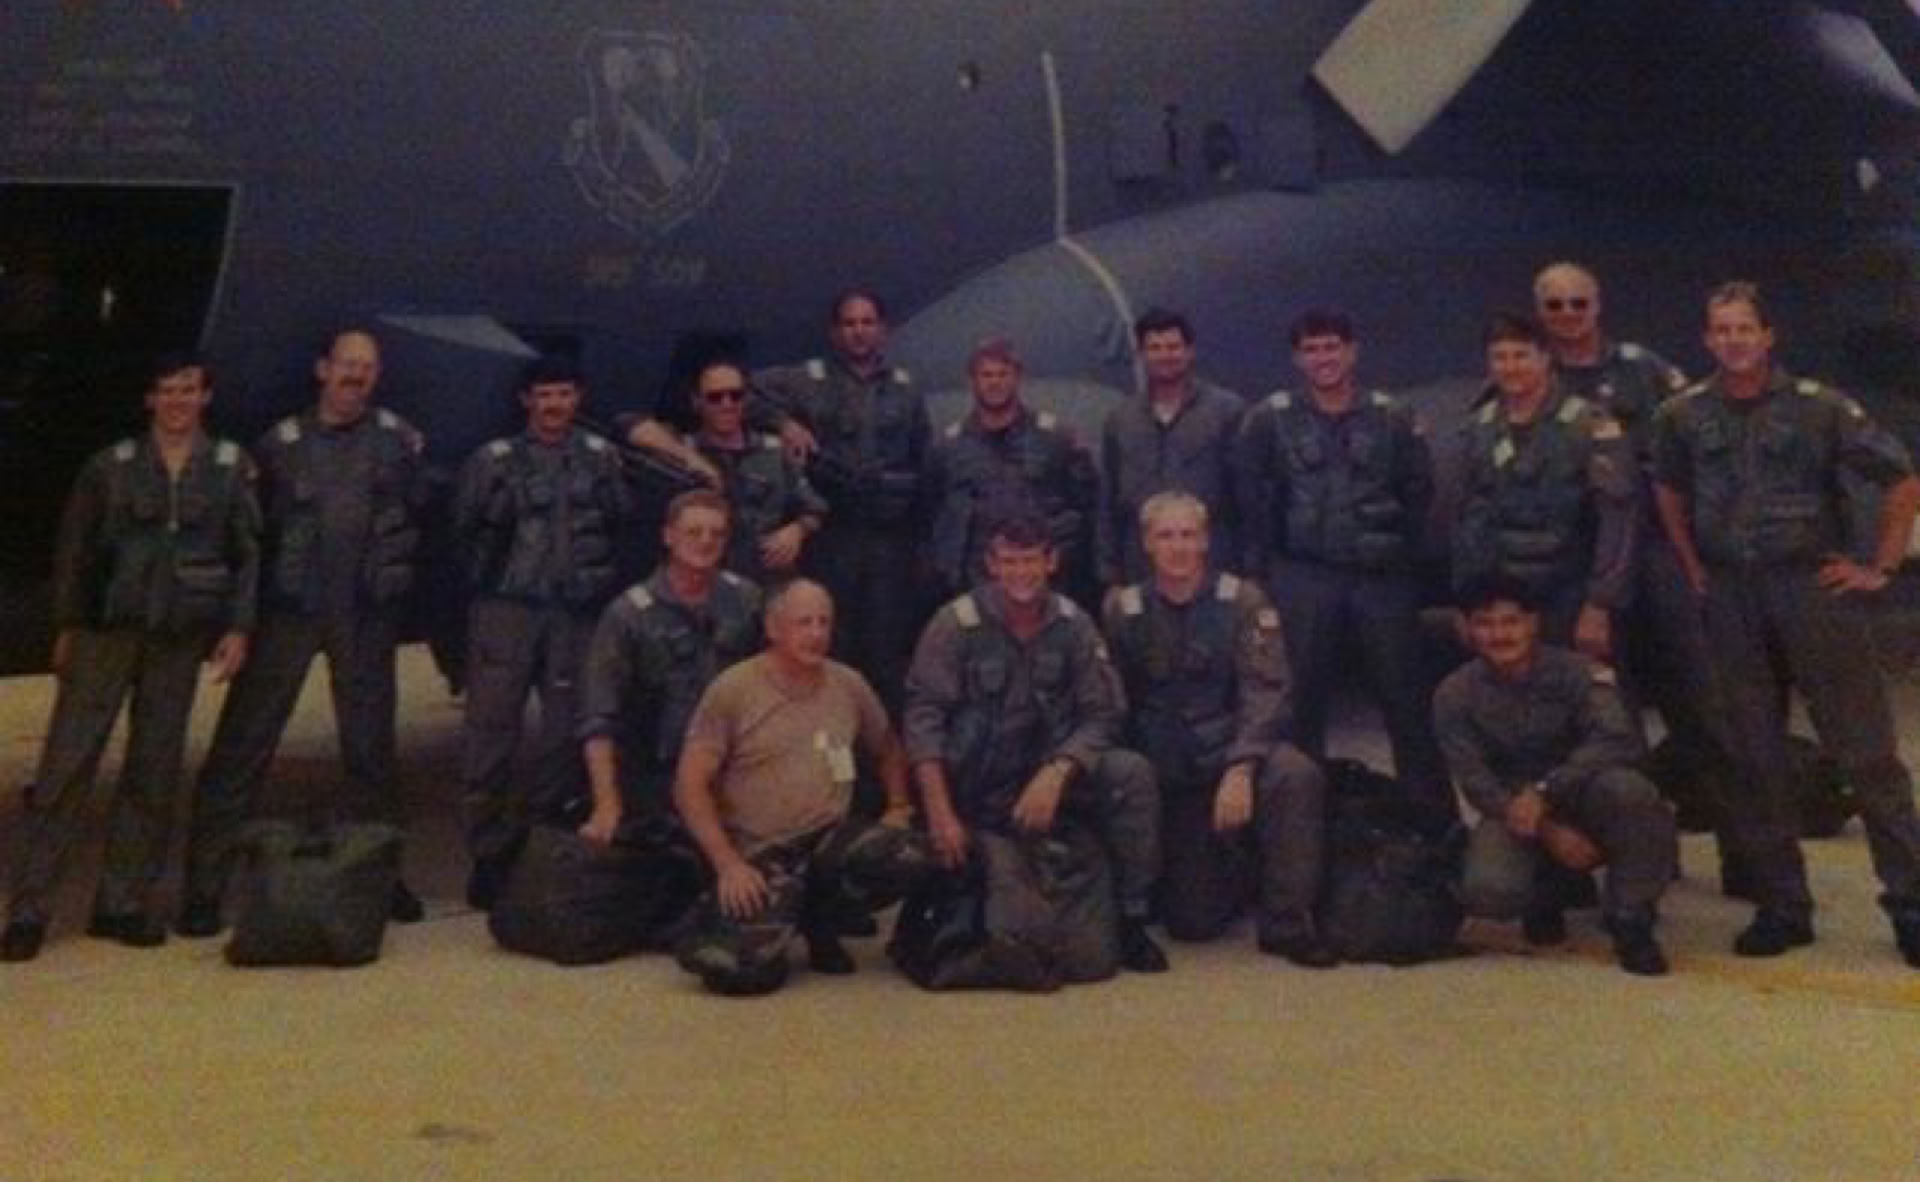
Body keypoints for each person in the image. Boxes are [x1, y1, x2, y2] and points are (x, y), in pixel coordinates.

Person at [1652, 282, 1920, 964]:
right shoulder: (1683, 414)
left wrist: (1882, 566)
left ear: (1768, 336)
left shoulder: (1819, 408)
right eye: (1721, 330)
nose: (1733, 341)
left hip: (1810, 588)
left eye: (1745, 328)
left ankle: (1911, 903)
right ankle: (1782, 905)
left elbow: (1901, 479)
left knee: (1867, 755)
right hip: (1731, 597)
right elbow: (1669, 489)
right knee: (1753, 757)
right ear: (1707, 339)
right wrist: (1693, 567)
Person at [3, 352, 259, 961]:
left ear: (205, 397)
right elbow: (74, 550)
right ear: (150, 400)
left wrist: (239, 627)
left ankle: (122, 903)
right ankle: (29, 910)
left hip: (177, 638)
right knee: (66, 768)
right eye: (166, 390)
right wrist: (67, 623)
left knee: (154, 772)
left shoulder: (229, 468)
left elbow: (247, 553)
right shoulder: (109, 468)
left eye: (188, 390)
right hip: (106, 634)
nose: (177, 401)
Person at [180, 328, 426, 936]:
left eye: (367, 367)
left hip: (362, 615)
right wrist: (240, 621)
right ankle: (204, 887)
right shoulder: (279, 446)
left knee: (371, 753)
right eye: (346, 364)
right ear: (322, 369)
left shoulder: (397, 441)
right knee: (243, 747)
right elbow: (249, 540)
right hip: (288, 612)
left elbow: (411, 518)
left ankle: (378, 872)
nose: (355, 376)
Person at [1534, 263, 1736, 882]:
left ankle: (1747, 856)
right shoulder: (1530, 377)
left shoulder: (1643, 370)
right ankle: (1648, 859)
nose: (1568, 315)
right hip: (1581, 563)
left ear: (1598, 305)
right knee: (1609, 717)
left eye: (1579, 302)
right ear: (1540, 312)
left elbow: (1700, 444)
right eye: (1555, 305)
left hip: (1656, 552)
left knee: (1703, 705)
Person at [903, 513, 1168, 972]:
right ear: (991, 565)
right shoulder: (954, 625)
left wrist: (1060, 769)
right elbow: (923, 721)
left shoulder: (1074, 625)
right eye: (1009, 562)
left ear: (1051, 562)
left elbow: (1104, 713)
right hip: (974, 795)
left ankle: (1132, 916)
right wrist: (940, 814)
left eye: (1030, 561)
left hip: (1047, 791)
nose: (1020, 573)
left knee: (1130, 774)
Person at [1233, 308, 1454, 833]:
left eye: (1332, 347)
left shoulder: (1392, 416)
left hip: (1381, 579)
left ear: (1352, 352)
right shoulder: (1269, 419)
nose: (1323, 358)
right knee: (1301, 704)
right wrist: (1265, 574)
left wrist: (1399, 562)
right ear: (1296, 358)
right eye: (1311, 349)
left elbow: (1417, 493)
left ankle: (1436, 830)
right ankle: (1300, 832)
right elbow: (1251, 499)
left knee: (1406, 702)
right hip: (1304, 577)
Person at [1102, 492, 1335, 966]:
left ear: (1206, 540)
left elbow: (1267, 691)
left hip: (1233, 751)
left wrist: (1242, 766)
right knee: (1193, 922)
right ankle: (1234, 864)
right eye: (1166, 535)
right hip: (1172, 772)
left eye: (1189, 535)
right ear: (1147, 543)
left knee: (1295, 773)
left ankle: (1288, 922)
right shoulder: (1124, 611)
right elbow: (1113, 702)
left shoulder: (1244, 601)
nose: (1178, 547)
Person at [672, 580, 933, 995]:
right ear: (773, 628)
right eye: (804, 623)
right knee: (743, 975)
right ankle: (734, 919)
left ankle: (821, 921)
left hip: (828, 844)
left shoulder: (848, 684)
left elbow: (887, 746)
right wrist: (727, 863)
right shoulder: (733, 689)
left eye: (823, 623)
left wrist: (898, 806)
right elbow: (689, 784)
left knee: (909, 854)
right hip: (761, 852)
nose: (816, 634)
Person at [454, 353, 632, 909]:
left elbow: (620, 524)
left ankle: (537, 846)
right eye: (545, 394)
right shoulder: (493, 461)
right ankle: (487, 854)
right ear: (526, 401)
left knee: (564, 737)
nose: (555, 405)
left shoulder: (601, 458)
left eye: (565, 393)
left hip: (574, 615)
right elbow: (462, 529)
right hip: (507, 612)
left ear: (579, 398)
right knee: (491, 733)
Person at [1433, 578, 1675, 976]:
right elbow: (1476, 781)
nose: (1499, 635)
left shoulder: (1577, 672)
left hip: (1585, 787)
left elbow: (1617, 739)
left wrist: (1546, 792)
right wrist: (1547, 829)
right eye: (1485, 624)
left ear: (1534, 623)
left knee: (1633, 793)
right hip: (1515, 806)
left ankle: (1630, 915)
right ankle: (1547, 892)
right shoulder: (1453, 694)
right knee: (1489, 891)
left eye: (1511, 622)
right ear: (1467, 629)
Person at [756, 290, 931, 712]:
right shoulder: (806, 379)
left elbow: (923, 464)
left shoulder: (906, 389)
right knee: (832, 643)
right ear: (835, 332)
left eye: (867, 322)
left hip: (889, 541)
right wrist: (784, 423)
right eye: (849, 323)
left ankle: (882, 743)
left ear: (883, 330)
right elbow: (743, 391)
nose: (859, 332)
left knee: (885, 650)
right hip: (831, 536)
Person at [568, 489, 763, 858]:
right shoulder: (628, 615)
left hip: (734, 769)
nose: (705, 542)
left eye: (717, 534)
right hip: (657, 775)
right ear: (668, 536)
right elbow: (598, 716)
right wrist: (607, 804)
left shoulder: (747, 600)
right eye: (694, 532)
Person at [1453, 312, 1636, 655]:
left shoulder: (1589, 426)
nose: (1511, 367)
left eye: (1521, 356)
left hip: (1572, 598)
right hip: (1503, 605)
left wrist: (1600, 605)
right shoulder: (1477, 429)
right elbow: (1467, 521)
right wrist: (1467, 600)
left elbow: (1618, 522)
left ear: (1546, 357)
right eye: (1500, 357)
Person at [925, 337, 1099, 605]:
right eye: (986, 375)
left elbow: (1086, 506)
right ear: (971, 381)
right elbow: (931, 514)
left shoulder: (1055, 439)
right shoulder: (948, 447)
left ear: (1018, 378)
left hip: (1042, 580)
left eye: (1003, 374)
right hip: (972, 582)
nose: (995, 382)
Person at [628, 359, 825, 584]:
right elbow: (627, 424)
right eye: (715, 397)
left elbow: (815, 509)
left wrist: (797, 531)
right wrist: (693, 460)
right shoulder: (679, 450)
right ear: (696, 402)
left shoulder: (775, 452)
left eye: (736, 395)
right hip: (701, 579)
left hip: (764, 578)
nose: (727, 404)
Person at [1099, 307, 1247, 586]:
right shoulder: (1120, 419)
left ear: (1190, 352)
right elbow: (1107, 503)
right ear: (1141, 355)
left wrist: (1250, 570)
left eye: (1173, 347)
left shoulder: (1227, 411)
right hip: (1139, 567)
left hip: (1213, 564)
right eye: (1154, 348)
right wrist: (1110, 574)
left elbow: (1247, 498)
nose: (1165, 355)